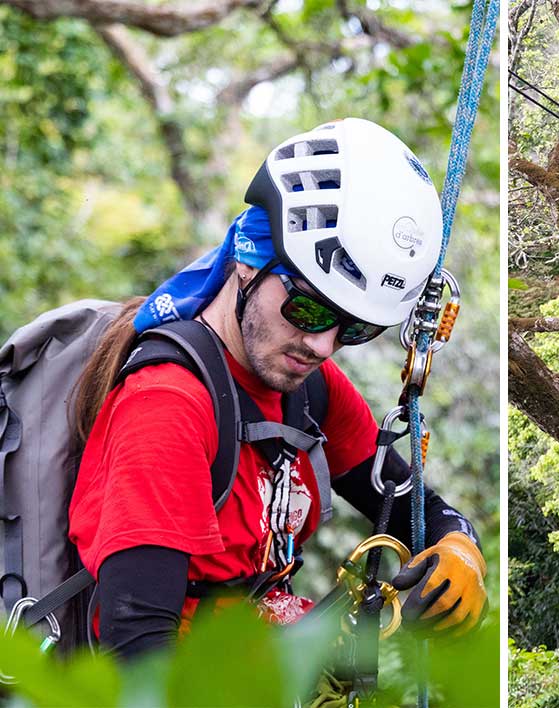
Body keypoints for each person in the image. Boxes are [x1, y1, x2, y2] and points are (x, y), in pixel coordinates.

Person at [66, 118, 486, 658]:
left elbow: (415, 510)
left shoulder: (309, 389)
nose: (322, 346)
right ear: (247, 262)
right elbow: (137, 654)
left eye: (354, 329)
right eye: (307, 309)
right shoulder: (167, 407)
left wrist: (462, 549)